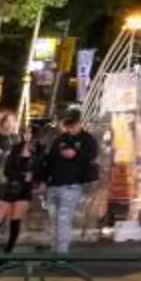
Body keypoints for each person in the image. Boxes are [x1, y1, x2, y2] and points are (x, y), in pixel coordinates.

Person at [40, 104, 101, 256]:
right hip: (54, 184)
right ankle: (54, 251)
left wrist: (76, 155)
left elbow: (91, 158)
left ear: (79, 122)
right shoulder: (60, 139)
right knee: (53, 220)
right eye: (68, 123)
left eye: (73, 123)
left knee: (63, 219)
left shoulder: (87, 139)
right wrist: (43, 180)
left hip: (72, 185)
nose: (70, 126)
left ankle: (61, 253)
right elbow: (50, 160)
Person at [0, 118, 37, 258]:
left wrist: (30, 177)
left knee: (15, 221)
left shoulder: (39, 150)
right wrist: (22, 175)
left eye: (30, 132)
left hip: (25, 190)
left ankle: (7, 253)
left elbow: (39, 170)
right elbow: (8, 169)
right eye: (26, 132)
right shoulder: (16, 147)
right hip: (11, 186)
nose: (27, 135)